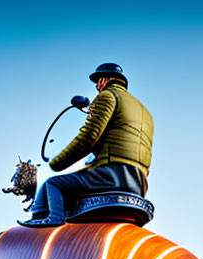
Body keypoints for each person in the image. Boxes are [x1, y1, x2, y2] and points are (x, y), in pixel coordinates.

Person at [19, 63, 153, 228]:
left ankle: (49, 221)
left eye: (98, 82)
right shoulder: (144, 112)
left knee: (53, 184)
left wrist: (57, 162)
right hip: (139, 182)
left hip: (111, 174)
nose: (97, 86)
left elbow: (89, 137)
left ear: (104, 80)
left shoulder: (107, 96)